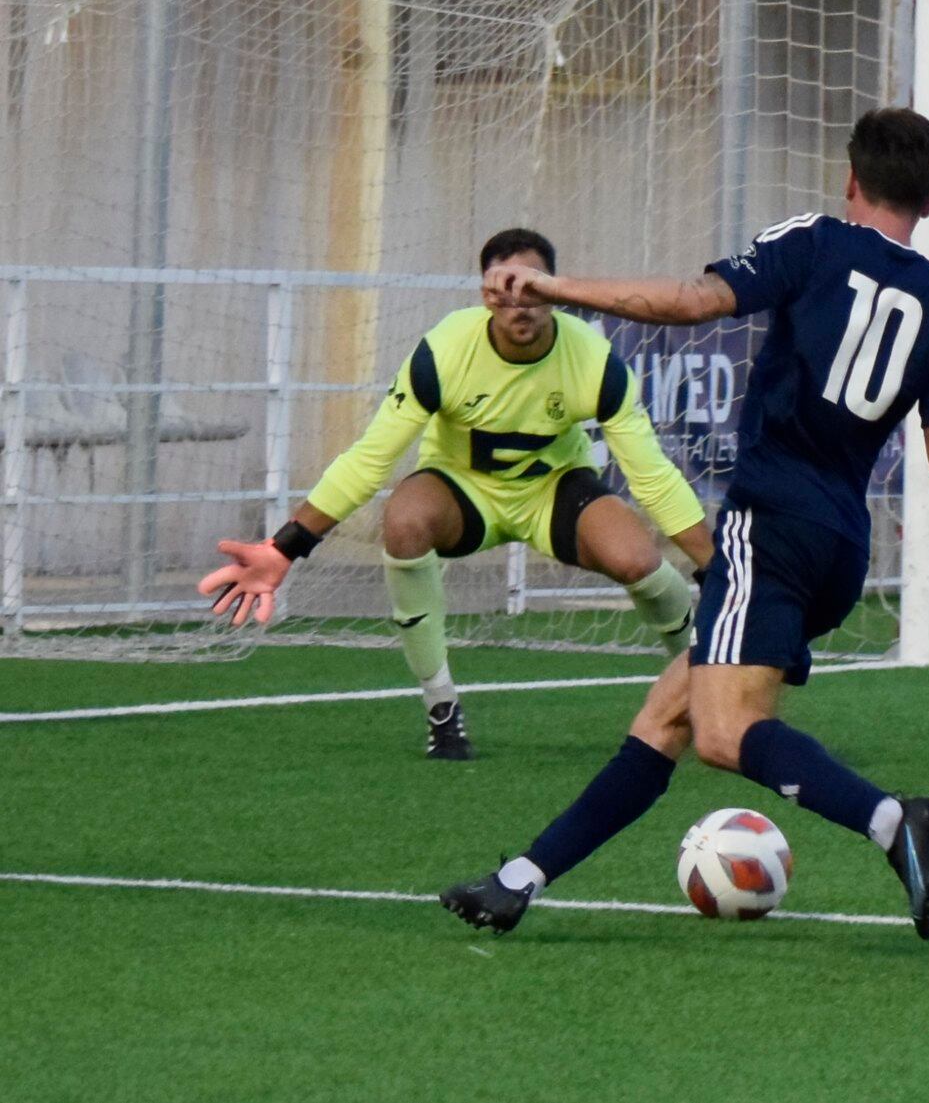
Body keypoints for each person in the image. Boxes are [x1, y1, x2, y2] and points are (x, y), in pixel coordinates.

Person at [440, 108, 929, 938]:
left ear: (851, 181)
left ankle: (890, 820)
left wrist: (556, 287)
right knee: (669, 712)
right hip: (841, 548)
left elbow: (695, 301)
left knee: (725, 730)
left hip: (767, 523)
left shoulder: (816, 239)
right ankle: (518, 880)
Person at [198, 228, 714, 760]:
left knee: (640, 561)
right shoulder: (444, 351)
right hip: (462, 490)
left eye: (534, 289)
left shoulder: (595, 361)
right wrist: (285, 547)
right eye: (505, 290)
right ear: (486, 295)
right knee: (403, 520)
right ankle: (441, 708)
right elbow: (370, 459)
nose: (522, 305)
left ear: (556, 291)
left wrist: (716, 568)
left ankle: (703, 686)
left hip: (552, 489)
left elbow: (651, 474)